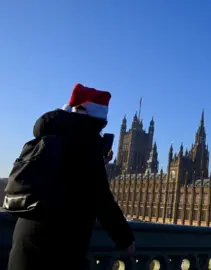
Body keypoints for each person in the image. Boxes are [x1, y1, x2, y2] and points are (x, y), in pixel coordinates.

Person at [8, 83, 135, 270]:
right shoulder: (85, 142)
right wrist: (125, 239)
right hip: (58, 247)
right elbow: (101, 198)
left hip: (24, 240)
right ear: (95, 120)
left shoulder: (50, 137)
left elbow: (62, 176)